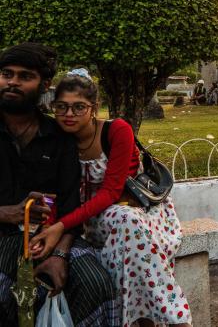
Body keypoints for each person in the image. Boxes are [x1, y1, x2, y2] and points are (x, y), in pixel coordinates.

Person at [30, 69, 192, 327]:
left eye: (78, 107)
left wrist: (60, 226)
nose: (69, 115)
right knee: (126, 245)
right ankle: (161, 318)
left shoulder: (117, 130)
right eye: (61, 107)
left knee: (124, 223)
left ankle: (174, 318)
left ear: (93, 108)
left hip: (135, 214)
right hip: (84, 224)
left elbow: (111, 192)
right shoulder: (58, 141)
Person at [0, 43, 119, 326]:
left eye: (25, 76)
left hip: (50, 238)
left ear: (45, 85)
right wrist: (6, 213)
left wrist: (61, 255)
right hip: (3, 238)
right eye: (6, 73)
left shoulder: (58, 137)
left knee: (95, 283)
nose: (13, 82)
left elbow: (70, 205)